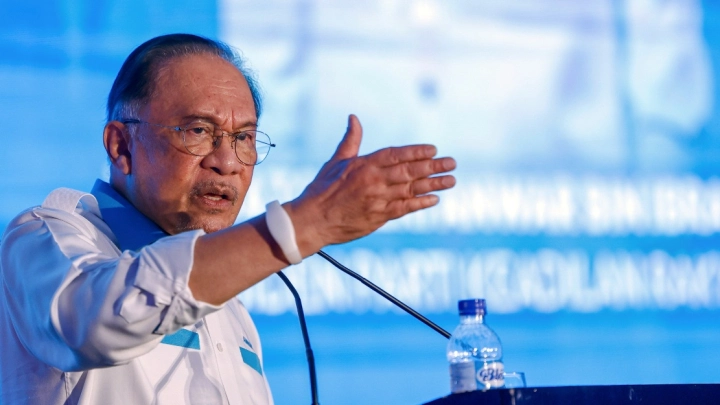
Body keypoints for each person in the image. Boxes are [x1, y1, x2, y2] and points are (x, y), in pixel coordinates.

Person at [0, 34, 456, 404]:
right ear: (121, 146)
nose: (227, 162)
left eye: (244, 138)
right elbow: (95, 322)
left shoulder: (231, 310)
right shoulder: (45, 237)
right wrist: (306, 224)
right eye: (199, 131)